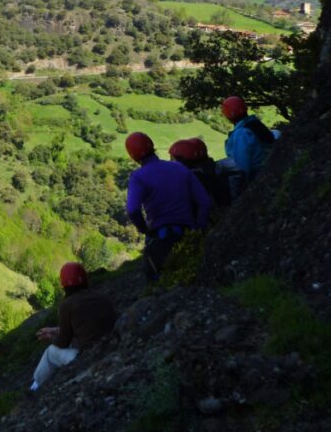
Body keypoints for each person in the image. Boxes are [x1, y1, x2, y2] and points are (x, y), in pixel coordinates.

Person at [125, 132, 213, 280]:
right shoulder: (179, 168)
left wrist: (144, 229)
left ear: (132, 155)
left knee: (159, 280)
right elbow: (204, 201)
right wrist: (199, 227)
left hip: (160, 236)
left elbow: (133, 210)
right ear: (152, 146)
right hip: (187, 231)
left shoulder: (138, 177)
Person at [30, 261, 117, 392]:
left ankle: (34, 387)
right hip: (110, 347)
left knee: (50, 352)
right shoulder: (103, 297)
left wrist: (50, 337)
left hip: (87, 357)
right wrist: (55, 330)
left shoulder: (67, 305)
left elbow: (62, 342)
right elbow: (86, 325)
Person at [219, 96, 276, 186]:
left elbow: (242, 165)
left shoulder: (241, 134)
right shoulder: (255, 123)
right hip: (269, 167)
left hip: (257, 175)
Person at [168, 138, 228, 210]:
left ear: (183, 161)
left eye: (172, 159)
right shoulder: (212, 171)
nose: (170, 162)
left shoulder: (191, 180)